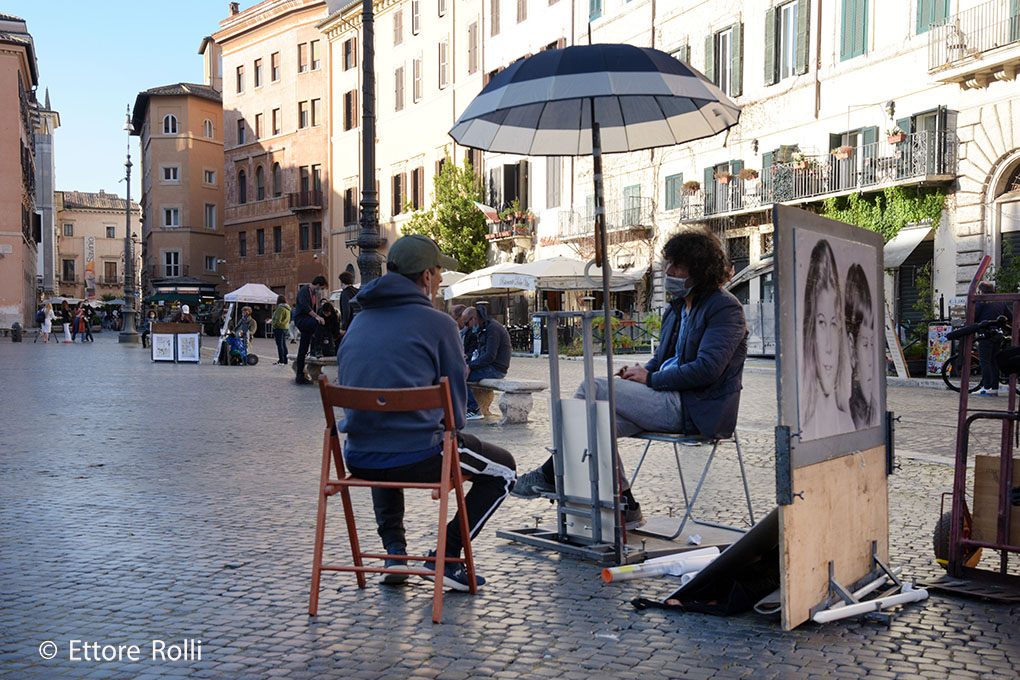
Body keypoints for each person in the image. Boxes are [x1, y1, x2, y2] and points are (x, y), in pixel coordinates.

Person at [512, 230, 748, 530]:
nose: (669, 271)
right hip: (666, 397)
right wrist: (638, 374)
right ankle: (626, 503)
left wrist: (649, 378)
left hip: (695, 407)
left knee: (590, 388)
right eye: (669, 263)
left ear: (699, 269)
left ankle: (551, 473)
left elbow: (707, 370)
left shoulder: (724, 308)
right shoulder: (676, 310)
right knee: (595, 421)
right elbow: (661, 361)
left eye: (677, 266)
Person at [338, 234, 516, 590]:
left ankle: (395, 553)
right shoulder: (440, 324)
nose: (439, 282)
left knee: (384, 443)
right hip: (421, 457)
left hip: (359, 456)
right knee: (505, 470)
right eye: (438, 273)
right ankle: (446, 557)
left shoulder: (358, 323)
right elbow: (455, 416)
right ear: (425, 278)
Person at [799, 239, 853, 440]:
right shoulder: (803, 427)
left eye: (834, 324)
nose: (830, 347)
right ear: (810, 330)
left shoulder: (848, 423)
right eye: (821, 323)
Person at [462, 305, 512, 420]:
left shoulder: (492, 329)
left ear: (474, 319)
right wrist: (468, 357)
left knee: (459, 376)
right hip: (489, 365)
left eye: (466, 323)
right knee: (457, 370)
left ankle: (474, 409)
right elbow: (481, 352)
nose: (466, 327)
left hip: (496, 369)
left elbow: (489, 356)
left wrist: (470, 366)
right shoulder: (482, 328)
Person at [845, 264, 878, 429]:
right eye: (865, 344)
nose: (871, 360)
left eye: (873, 344)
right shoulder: (842, 418)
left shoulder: (874, 410)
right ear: (852, 349)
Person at [975, 280, 1012, 396]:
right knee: (994, 362)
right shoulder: (1000, 301)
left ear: (981, 291)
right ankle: (994, 388)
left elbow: (974, 316)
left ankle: (986, 387)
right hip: (998, 334)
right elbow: (1010, 316)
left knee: (985, 361)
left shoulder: (981, 301)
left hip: (986, 334)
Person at [293, 275, 329, 384]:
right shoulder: (304, 291)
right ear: (318, 285)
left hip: (307, 320)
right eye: (321, 288)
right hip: (301, 319)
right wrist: (317, 317)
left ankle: (300, 375)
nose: (321, 291)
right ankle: (317, 349)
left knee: (303, 349)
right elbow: (306, 307)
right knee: (318, 322)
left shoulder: (313, 293)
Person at [337, 271, 359, 336]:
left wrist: (343, 327)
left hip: (350, 324)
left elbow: (346, 310)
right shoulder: (357, 291)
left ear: (342, 282)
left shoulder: (345, 293)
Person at [271, 295, 291, 365]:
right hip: (285, 327)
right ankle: (285, 360)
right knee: (283, 344)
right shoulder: (288, 308)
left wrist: (275, 325)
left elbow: (278, 319)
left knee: (279, 345)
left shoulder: (280, 308)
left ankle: (281, 360)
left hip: (279, 328)